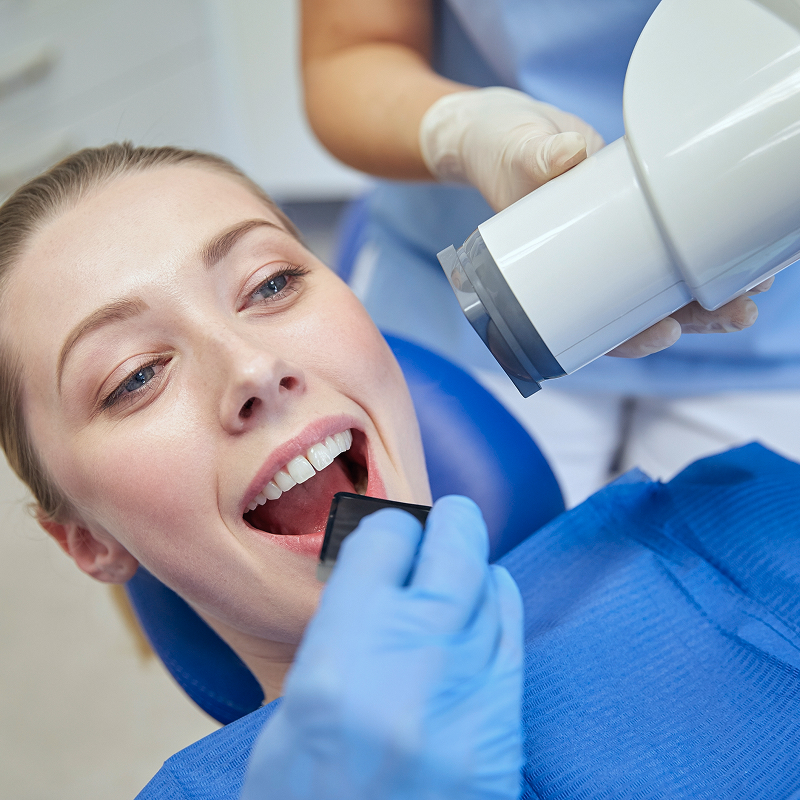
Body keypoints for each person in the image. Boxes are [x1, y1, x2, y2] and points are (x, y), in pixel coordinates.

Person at [0, 144, 798, 799]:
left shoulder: (726, 528)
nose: (252, 367)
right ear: (85, 541)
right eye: (134, 375)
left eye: (271, 283)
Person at [300, 0, 798, 506]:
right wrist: (464, 130)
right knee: (382, 548)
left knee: (738, 563)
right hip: (475, 287)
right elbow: (347, 54)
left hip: (775, 337)